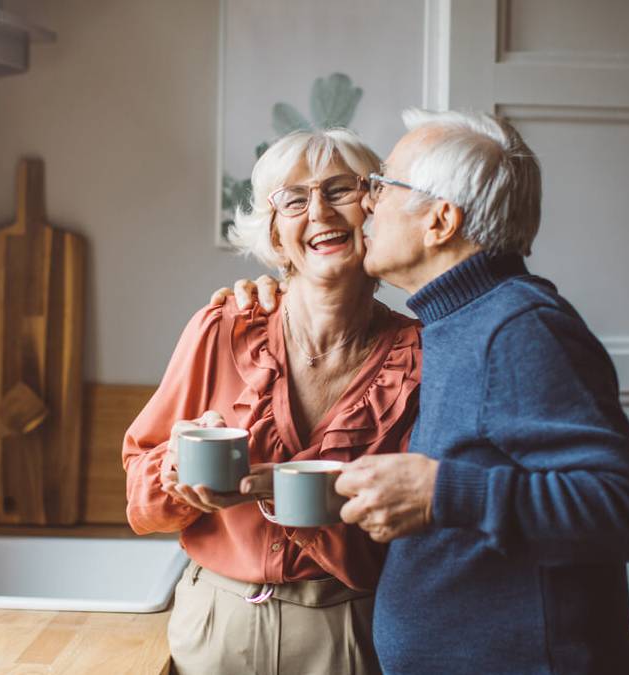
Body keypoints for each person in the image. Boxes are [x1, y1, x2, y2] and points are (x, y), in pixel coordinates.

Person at [223, 109, 629, 674]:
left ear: (440, 222)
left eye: (383, 185)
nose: (366, 203)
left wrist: (440, 494)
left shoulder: (519, 328)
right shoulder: (459, 322)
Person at [123, 127, 422, 674]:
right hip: (216, 624)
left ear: (374, 210)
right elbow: (140, 490)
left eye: (340, 191)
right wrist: (175, 475)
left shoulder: (420, 356)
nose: (320, 213)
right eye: (294, 199)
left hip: (351, 630)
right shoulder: (222, 327)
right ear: (276, 234)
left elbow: (424, 524)